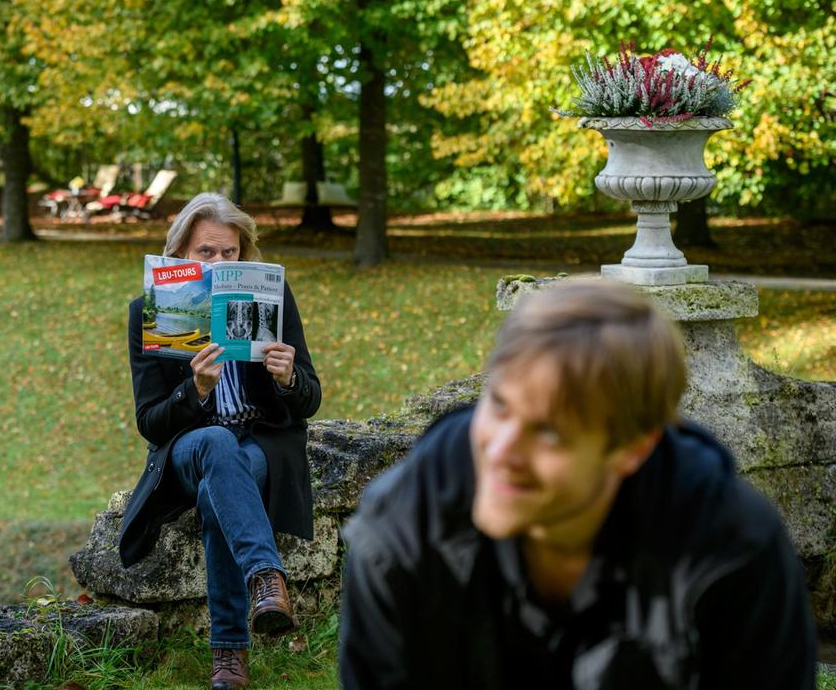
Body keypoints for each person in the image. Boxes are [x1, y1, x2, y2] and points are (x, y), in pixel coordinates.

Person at [338, 279, 817, 689]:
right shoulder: (400, 534)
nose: (501, 451)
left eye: (549, 432)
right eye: (499, 405)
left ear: (632, 449)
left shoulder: (732, 550)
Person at [121, 193, 322, 689]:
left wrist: (286, 378)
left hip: (260, 444)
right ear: (181, 256)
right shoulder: (151, 310)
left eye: (228, 253)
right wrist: (196, 390)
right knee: (213, 441)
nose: (217, 262)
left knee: (219, 496)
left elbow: (310, 399)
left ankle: (229, 656)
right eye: (205, 253)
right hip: (190, 447)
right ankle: (265, 578)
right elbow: (150, 422)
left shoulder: (272, 299)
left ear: (243, 255)